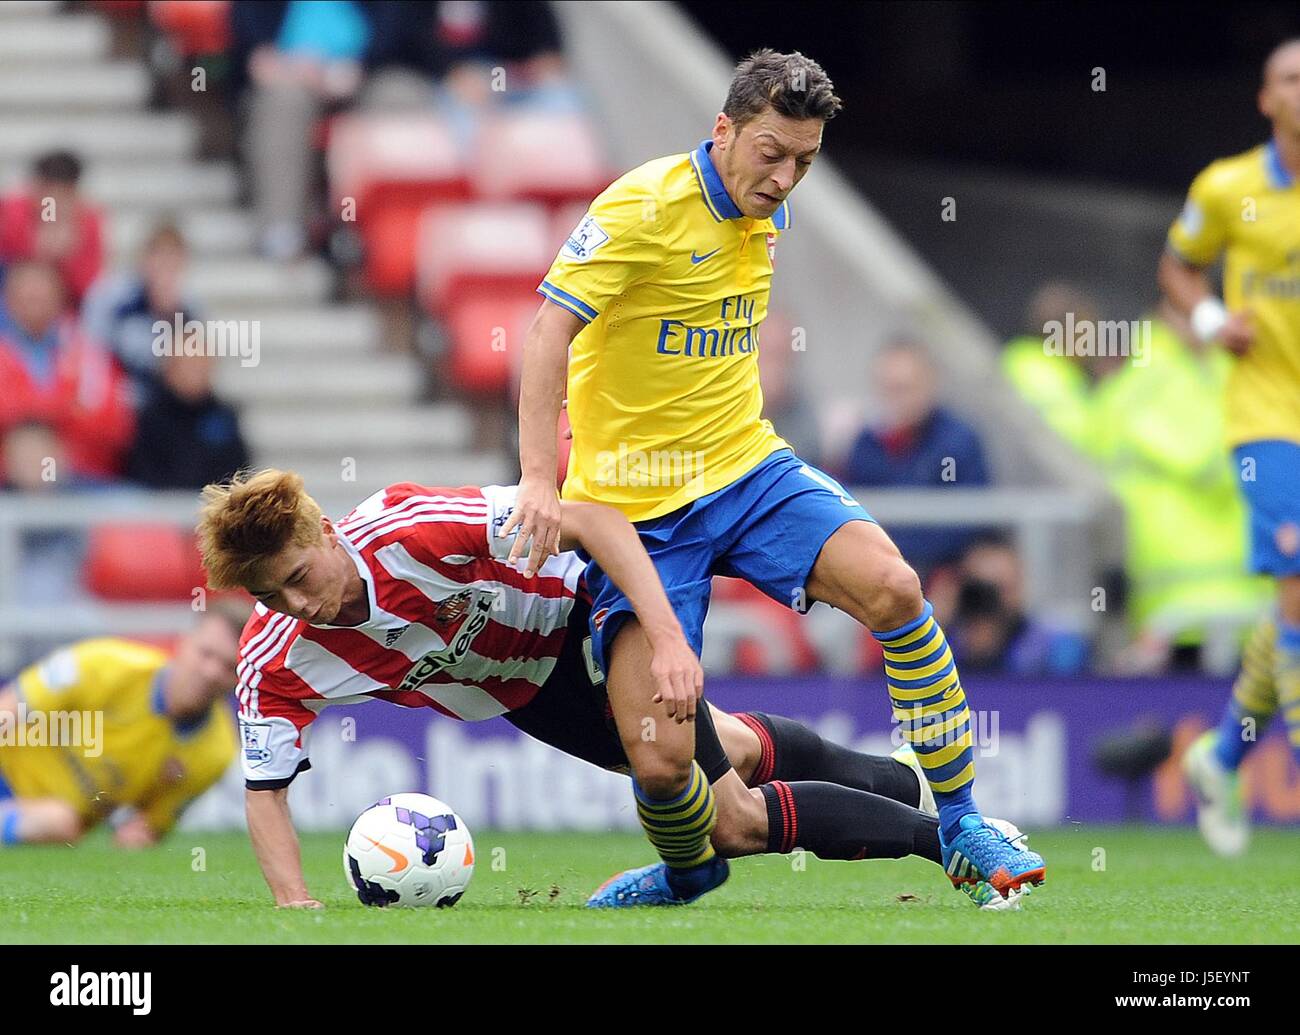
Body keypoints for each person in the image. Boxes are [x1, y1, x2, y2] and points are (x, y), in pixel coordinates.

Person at [509, 48, 1045, 906]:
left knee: (897, 588)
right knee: (660, 755)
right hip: (640, 509)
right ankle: (689, 869)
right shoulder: (641, 208)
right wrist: (541, 476)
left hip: (746, 469)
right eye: (771, 152)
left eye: (805, 160)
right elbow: (546, 334)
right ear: (722, 130)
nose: (787, 176)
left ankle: (962, 816)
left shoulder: (768, 205)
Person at [197, 469, 1025, 910]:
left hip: (584, 611)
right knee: (729, 750)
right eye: (273, 595)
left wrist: (662, 632)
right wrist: (296, 906)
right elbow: (266, 791)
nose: (298, 604)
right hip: (528, 695)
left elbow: (589, 518)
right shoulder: (276, 658)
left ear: (328, 532)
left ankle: (952, 841)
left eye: (300, 577)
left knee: (726, 815)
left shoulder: (410, 528)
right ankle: (901, 782)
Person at [1159, 37, 1300, 856]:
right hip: (1267, 420)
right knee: (1297, 590)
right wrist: (1213, 321)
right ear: (1264, 99)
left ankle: (1219, 755)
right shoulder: (1229, 187)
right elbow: (1179, 269)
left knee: (1288, 608)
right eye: (1290, 78)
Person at [0, 602, 246, 847]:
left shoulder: (217, 752)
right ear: (184, 642)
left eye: (229, 667)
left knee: (58, 823)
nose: (211, 672)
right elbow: (10, 706)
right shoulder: (106, 664)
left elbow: (148, 826)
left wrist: (138, 837)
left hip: (48, 819)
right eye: (206, 654)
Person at [841, 338, 991, 573]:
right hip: (879, 571)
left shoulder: (958, 441)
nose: (896, 399)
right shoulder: (867, 443)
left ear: (930, 383)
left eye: (905, 387)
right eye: (887, 388)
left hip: (946, 572)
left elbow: (972, 524)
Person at [0, 262, 134, 483]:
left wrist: (50, 440)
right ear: (9, 298)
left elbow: (115, 425)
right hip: (6, 481)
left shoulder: (91, 356)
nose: (34, 298)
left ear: (59, 296)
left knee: (138, 508)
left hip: (80, 480)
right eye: (26, 292)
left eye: (41, 291)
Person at [82, 221, 202, 390]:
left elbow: (194, 371)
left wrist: (168, 316)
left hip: (163, 403)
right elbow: (92, 353)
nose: (165, 265)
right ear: (143, 258)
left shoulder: (190, 308)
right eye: (159, 255)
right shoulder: (111, 298)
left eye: (173, 257)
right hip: (118, 397)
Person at [124, 350, 251, 490]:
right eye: (188, 365)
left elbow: (238, 470)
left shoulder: (224, 417)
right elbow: (142, 472)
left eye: (201, 365)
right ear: (171, 369)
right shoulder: (151, 418)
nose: (195, 373)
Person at [0, 150, 104, 306]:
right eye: (48, 194)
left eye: (62, 195)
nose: (53, 204)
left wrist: (67, 258)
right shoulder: (11, 210)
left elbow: (88, 287)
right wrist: (33, 248)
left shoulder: (87, 222)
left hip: (63, 310)